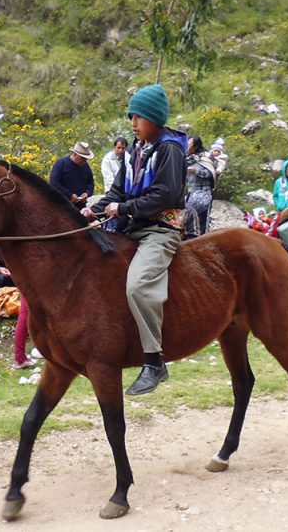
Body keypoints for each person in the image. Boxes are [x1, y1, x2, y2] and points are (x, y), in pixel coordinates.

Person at [82, 83, 187, 396]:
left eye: (139, 116)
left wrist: (123, 208)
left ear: (155, 118)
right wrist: (96, 208)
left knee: (138, 285)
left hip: (160, 231)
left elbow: (165, 194)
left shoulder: (170, 149)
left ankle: (154, 361)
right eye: (131, 116)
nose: (133, 122)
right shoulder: (134, 150)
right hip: (131, 228)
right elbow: (117, 190)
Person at [184, 135, 218, 238]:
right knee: (189, 218)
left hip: (204, 193)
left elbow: (211, 174)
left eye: (189, 144)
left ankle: (202, 240)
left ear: (195, 146)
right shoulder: (187, 159)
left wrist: (196, 171)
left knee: (202, 221)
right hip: (191, 193)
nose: (187, 147)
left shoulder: (205, 158)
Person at [49, 141, 96, 209]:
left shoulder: (86, 166)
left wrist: (87, 193)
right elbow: (54, 183)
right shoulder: (61, 163)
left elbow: (90, 183)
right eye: (82, 158)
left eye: (86, 158)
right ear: (74, 154)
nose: (84, 160)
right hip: (61, 205)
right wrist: (69, 195)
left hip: (80, 207)